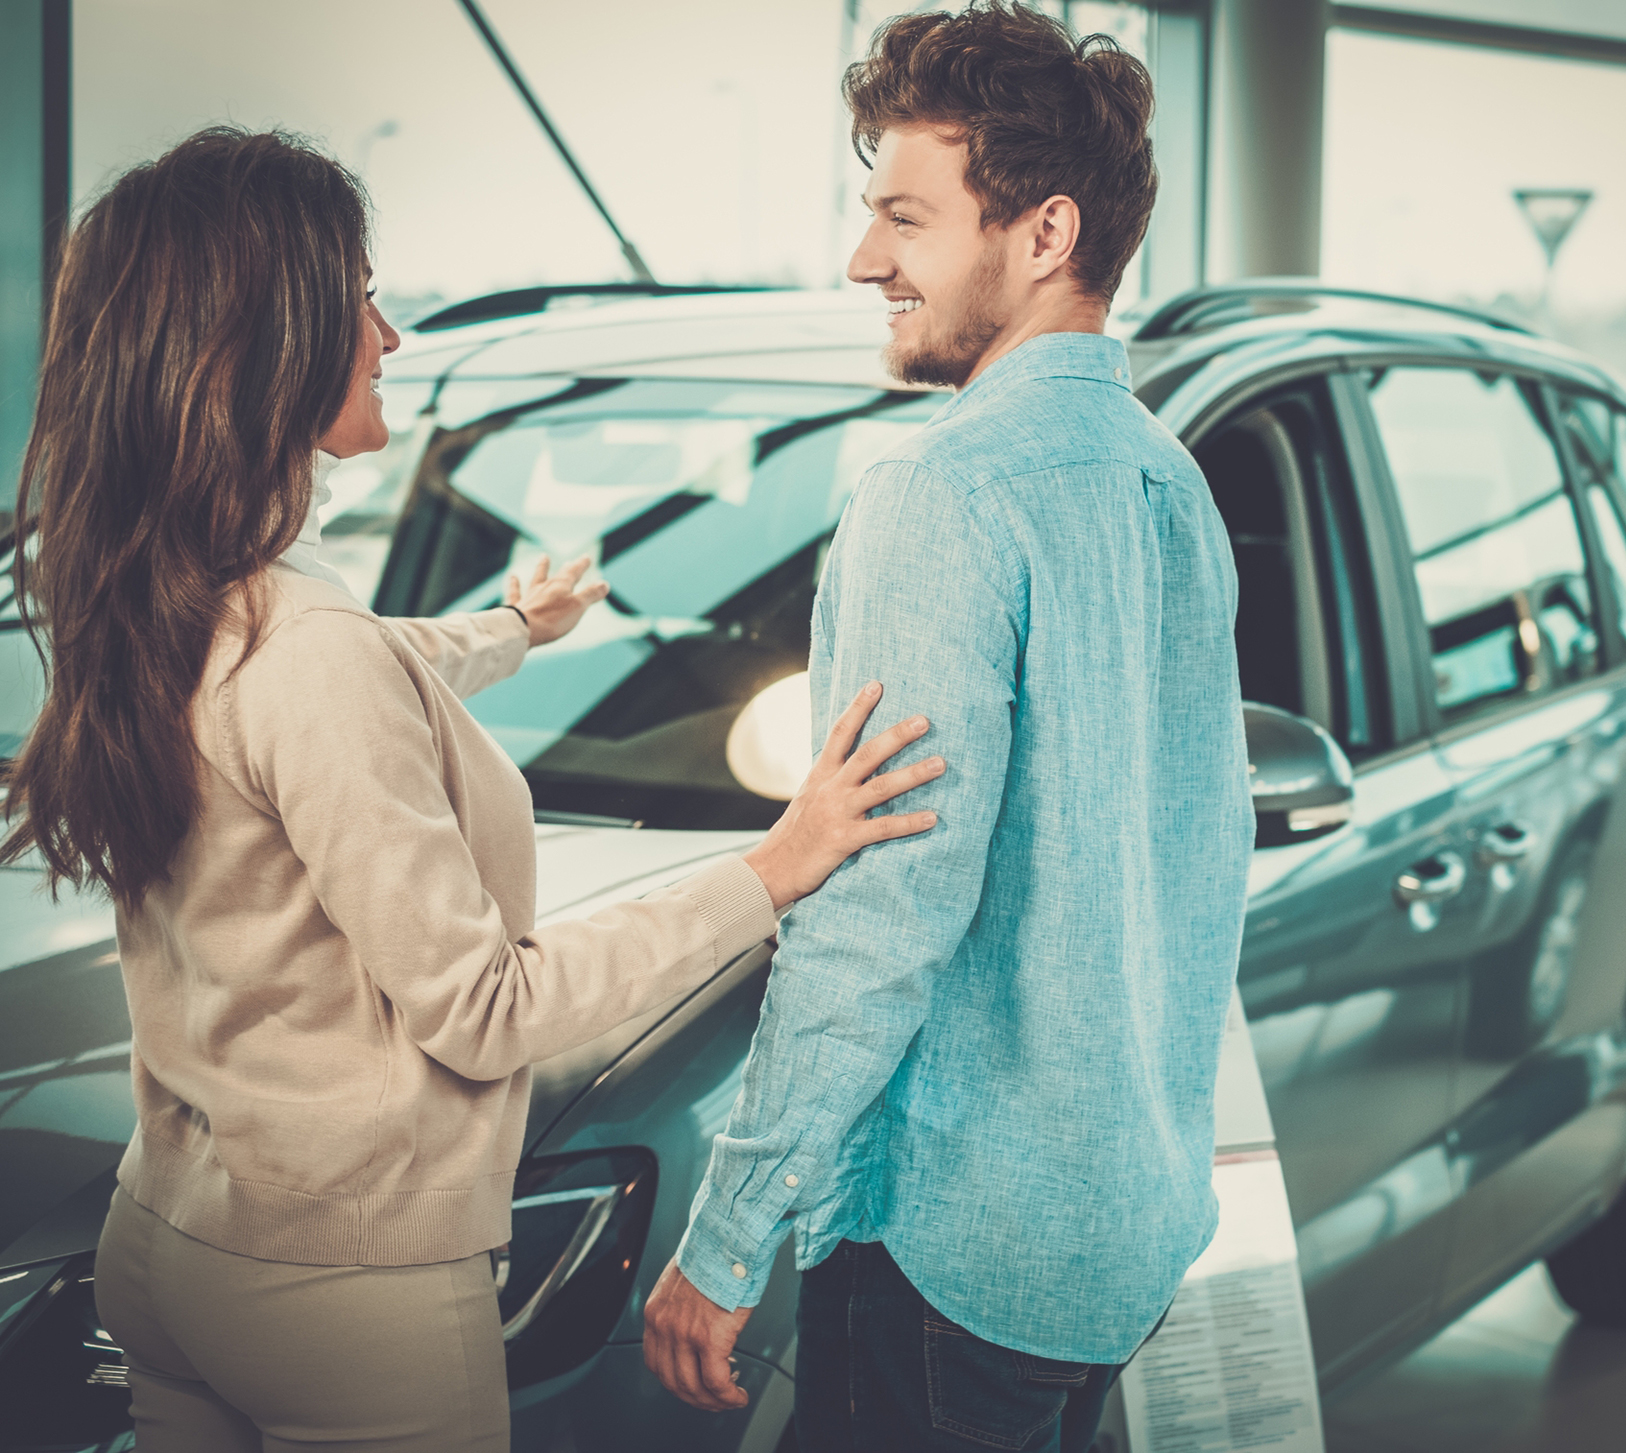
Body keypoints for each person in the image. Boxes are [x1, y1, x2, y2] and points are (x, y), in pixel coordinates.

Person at [0, 127, 943, 1453]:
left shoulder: (176, 601)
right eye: (362, 298)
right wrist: (772, 867)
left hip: (169, 1244)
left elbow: (350, 677)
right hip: (339, 1292)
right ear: (266, 343)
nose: (389, 335)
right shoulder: (308, 652)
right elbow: (486, 1010)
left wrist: (516, 629)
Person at [643, 6, 1253, 1449]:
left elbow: (882, 907)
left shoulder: (942, 494)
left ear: (1043, 234)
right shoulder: (1175, 487)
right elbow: (1200, 850)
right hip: (1118, 1236)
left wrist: (725, 1234)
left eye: (904, 217)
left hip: (954, 1251)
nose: (866, 259)